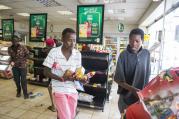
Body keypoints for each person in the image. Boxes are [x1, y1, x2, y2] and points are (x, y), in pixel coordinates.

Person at [43, 28, 82, 119]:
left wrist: (81, 78)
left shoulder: (78, 54)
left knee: (70, 116)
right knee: (66, 117)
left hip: (73, 90)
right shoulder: (54, 52)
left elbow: (78, 72)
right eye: (69, 40)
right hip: (59, 89)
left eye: (74, 40)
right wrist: (60, 78)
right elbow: (46, 71)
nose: (73, 43)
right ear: (62, 39)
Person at [114, 28, 151, 115]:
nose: (133, 44)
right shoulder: (123, 55)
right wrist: (133, 90)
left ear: (142, 41)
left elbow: (147, 75)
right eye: (131, 40)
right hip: (125, 98)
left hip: (141, 98)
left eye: (137, 41)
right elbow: (118, 79)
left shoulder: (146, 54)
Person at [8, 35, 29, 99]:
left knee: (23, 80)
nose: (15, 42)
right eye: (13, 41)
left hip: (23, 66)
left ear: (18, 41)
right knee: (16, 80)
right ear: (12, 41)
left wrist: (24, 61)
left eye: (16, 41)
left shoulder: (23, 47)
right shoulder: (10, 48)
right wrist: (11, 63)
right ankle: (18, 91)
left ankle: (25, 93)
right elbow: (11, 57)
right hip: (15, 67)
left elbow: (27, 54)